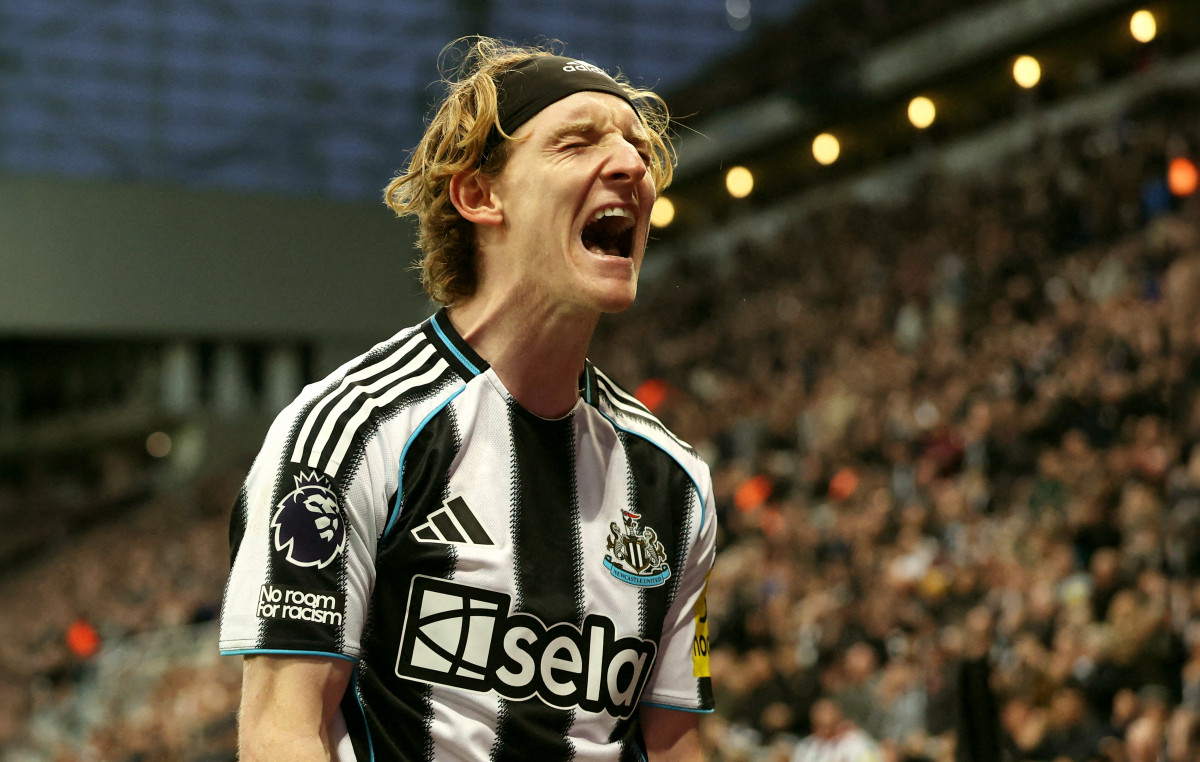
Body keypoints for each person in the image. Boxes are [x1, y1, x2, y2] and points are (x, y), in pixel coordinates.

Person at [218, 37, 717, 762]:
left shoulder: (674, 479)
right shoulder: (351, 432)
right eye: (577, 143)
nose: (632, 166)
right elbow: (282, 732)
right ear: (480, 195)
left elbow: (674, 748)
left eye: (638, 149)